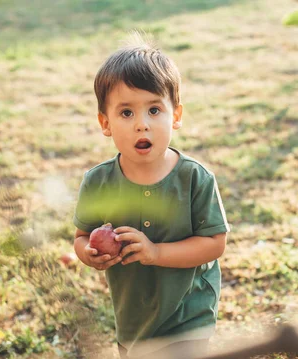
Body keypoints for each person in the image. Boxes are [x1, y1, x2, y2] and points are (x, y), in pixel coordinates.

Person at [72, 32, 230, 359]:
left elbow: (215, 244)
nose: (142, 125)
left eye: (154, 110)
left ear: (176, 115)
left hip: (188, 314)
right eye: (126, 113)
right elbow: (81, 237)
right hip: (132, 320)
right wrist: (89, 254)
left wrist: (156, 252)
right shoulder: (98, 182)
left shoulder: (194, 179)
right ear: (105, 123)